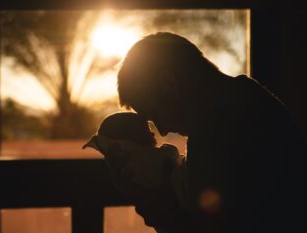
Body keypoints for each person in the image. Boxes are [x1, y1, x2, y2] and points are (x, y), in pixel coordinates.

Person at [114, 32, 306, 233]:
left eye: (154, 114)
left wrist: (147, 199)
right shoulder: (250, 100)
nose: (161, 130)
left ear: (169, 84)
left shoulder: (216, 130)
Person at [82, 112, 187, 212]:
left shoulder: (128, 168)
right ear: (131, 140)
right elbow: (170, 157)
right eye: (146, 130)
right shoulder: (146, 159)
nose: (153, 133)